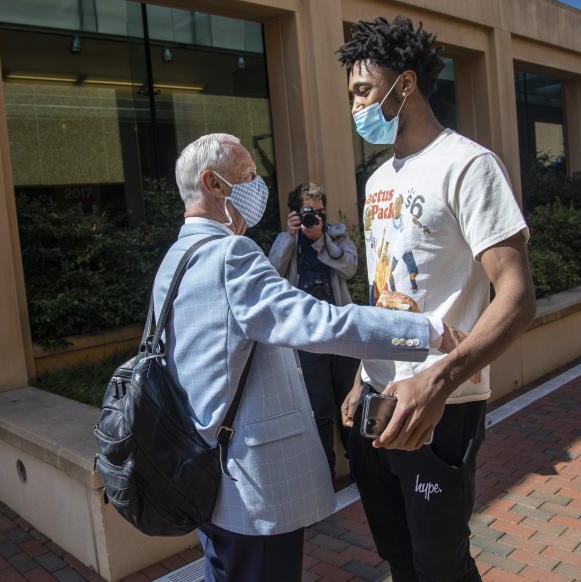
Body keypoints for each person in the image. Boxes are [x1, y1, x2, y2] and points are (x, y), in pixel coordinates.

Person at [159, 133, 463, 582]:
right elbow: (321, 323)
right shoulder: (231, 254)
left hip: (202, 471)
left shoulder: (176, 256)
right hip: (250, 488)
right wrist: (426, 331)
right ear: (213, 183)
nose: (256, 186)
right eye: (246, 177)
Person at [337, 17, 536, 582]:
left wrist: (440, 380)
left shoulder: (469, 166)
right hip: (376, 406)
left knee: (440, 566)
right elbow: (384, 290)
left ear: (404, 84)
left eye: (363, 91)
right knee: (399, 559)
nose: (355, 108)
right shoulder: (378, 182)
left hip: (439, 408)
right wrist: (360, 376)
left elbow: (518, 300)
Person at [268, 182, 361, 479]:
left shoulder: (336, 234)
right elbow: (270, 275)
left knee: (351, 405)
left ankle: (363, 469)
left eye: (320, 211)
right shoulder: (288, 240)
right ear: (295, 212)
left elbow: (349, 268)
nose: (316, 217)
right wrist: (288, 236)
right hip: (307, 337)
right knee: (319, 410)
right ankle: (326, 477)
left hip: (341, 334)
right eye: (309, 211)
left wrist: (320, 239)